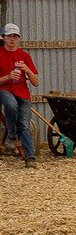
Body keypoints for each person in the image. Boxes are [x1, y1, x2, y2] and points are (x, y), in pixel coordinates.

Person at [0, 24, 39, 168]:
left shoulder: (25, 56)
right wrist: (7, 76)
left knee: (24, 125)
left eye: (15, 36)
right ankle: (11, 134)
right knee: (10, 104)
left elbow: (35, 83)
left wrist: (28, 70)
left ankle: (30, 159)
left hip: (23, 93)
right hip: (4, 90)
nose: (12, 39)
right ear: (3, 38)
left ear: (19, 39)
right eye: (9, 36)